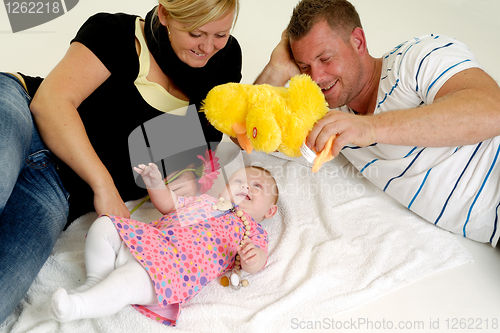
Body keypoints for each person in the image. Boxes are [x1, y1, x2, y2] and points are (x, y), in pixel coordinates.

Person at [0, 0, 242, 325]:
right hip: (22, 113)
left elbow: (192, 151)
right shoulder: (115, 32)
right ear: (166, 14)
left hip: (59, 188)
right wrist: (104, 185)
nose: (208, 47)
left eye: (221, 34)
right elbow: (51, 103)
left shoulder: (224, 66)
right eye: (196, 33)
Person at [255, 0, 500, 246]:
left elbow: (493, 110)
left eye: (325, 58)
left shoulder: (415, 59)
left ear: (358, 41)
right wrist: (277, 68)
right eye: (304, 66)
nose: (316, 77)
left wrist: (369, 127)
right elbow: (248, 133)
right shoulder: (328, 114)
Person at [48, 164, 279, 326]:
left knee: (128, 279)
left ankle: (78, 306)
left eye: (257, 187)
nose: (246, 187)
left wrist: (252, 258)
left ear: (270, 211)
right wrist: (156, 184)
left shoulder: (251, 230)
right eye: (238, 181)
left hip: (172, 269)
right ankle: (96, 280)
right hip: (147, 239)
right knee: (104, 225)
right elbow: (169, 204)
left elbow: (258, 261)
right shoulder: (204, 201)